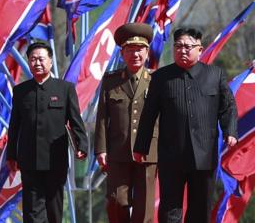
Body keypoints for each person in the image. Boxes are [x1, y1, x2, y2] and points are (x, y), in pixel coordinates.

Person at [133, 28, 238, 223]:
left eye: (188, 46)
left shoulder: (214, 75)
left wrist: (230, 131)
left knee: (201, 207)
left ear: (200, 49)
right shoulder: (161, 78)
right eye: (178, 46)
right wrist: (141, 146)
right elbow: (149, 114)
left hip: (204, 154)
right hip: (171, 153)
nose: (182, 50)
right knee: (170, 208)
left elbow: (228, 106)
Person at [6, 42, 88, 223]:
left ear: (50, 61)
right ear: (28, 62)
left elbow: (75, 121)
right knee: (32, 213)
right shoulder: (21, 91)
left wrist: (82, 145)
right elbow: (14, 126)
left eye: (41, 59)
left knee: (54, 210)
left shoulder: (65, 89)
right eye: (33, 59)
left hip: (56, 160)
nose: (37, 63)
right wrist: (11, 155)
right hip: (29, 160)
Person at [94, 23, 157, 223]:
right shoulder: (111, 81)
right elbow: (103, 117)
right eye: (130, 50)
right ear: (122, 54)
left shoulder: (158, 80)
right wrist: (100, 149)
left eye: (139, 50)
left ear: (147, 52)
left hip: (149, 151)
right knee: (116, 201)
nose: (135, 54)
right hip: (118, 151)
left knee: (144, 207)